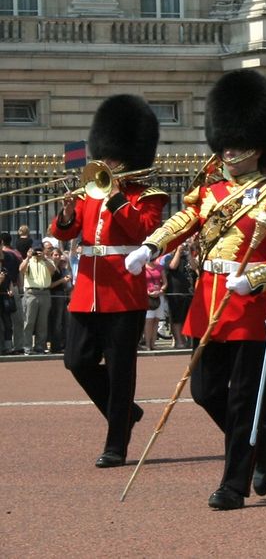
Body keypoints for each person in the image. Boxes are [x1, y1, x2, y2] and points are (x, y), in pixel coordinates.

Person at [129, 69, 266, 510]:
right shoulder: (211, 193)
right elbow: (183, 222)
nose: (228, 150)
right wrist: (150, 247)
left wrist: (256, 278)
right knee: (206, 390)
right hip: (209, 297)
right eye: (224, 141)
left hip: (251, 303)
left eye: (237, 141)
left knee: (245, 397)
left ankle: (233, 483)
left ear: (258, 144)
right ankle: (260, 442)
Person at [50, 94, 167, 467]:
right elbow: (67, 234)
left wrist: (117, 199)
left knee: (120, 370)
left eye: (114, 158)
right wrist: (67, 213)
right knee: (77, 361)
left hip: (123, 292)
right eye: (106, 157)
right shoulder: (90, 192)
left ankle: (117, 442)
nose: (108, 163)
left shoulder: (148, 196)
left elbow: (143, 230)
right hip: (87, 290)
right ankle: (125, 413)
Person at [20, 245, 55, 354]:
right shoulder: (28, 261)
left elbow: (53, 271)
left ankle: (39, 346)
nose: (38, 253)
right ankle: (27, 347)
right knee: (29, 322)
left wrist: (44, 258)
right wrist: (28, 257)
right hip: (31, 293)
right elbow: (21, 269)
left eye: (40, 250)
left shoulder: (47, 261)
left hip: (45, 292)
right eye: (36, 251)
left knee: (42, 323)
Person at [165, 238, 196, 348]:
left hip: (189, 293)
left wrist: (189, 255)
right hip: (175, 293)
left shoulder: (189, 258)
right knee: (177, 319)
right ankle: (179, 341)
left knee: (190, 318)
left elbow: (194, 268)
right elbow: (172, 266)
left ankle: (190, 340)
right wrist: (178, 251)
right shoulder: (169, 257)